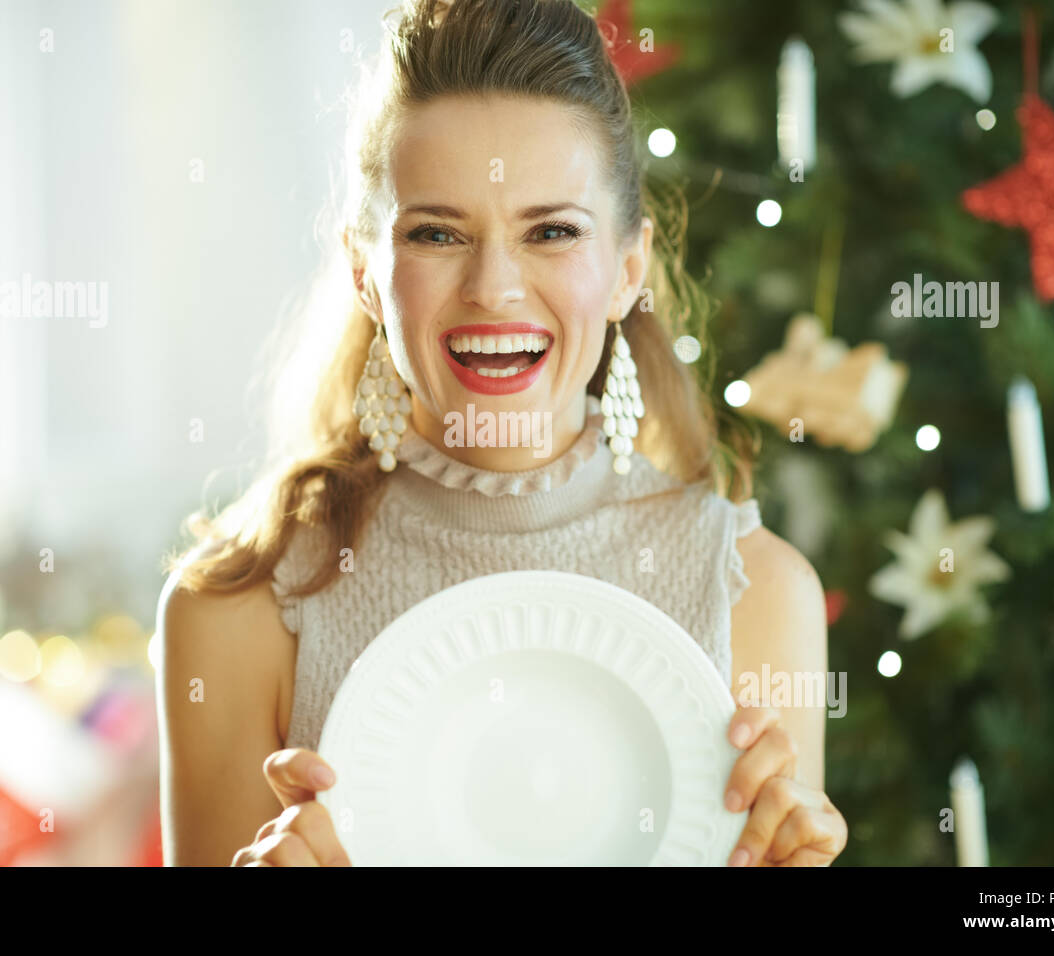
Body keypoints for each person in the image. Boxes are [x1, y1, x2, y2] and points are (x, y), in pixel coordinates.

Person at [155, 0, 846, 867]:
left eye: (551, 231)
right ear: (368, 275)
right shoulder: (240, 606)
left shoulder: (752, 594)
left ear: (629, 270)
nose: (494, 288)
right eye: (437, 233)